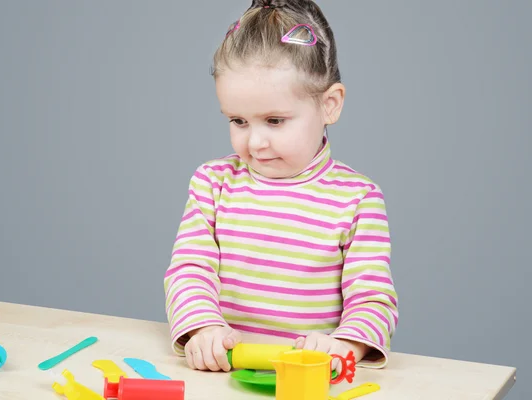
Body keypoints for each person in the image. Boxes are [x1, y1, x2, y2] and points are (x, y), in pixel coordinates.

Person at [163, 0, 398, 373]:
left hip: (309, 382)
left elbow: (373, 301)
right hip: (223, 375)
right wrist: (204, 328)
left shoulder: (357, 199)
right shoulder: (212, 184)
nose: (254, 143)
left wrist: (344, 345)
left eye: (274, 120)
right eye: (238, 121)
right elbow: (190, 270)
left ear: (330, 105)